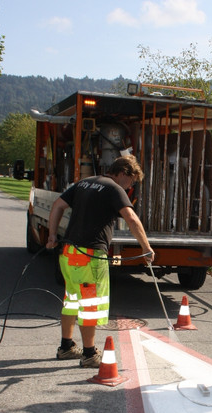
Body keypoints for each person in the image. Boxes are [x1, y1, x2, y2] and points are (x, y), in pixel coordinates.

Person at [46, 155, 155, 368]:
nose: (130, 186)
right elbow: (132, 218)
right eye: (131, 181)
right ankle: (89, 354)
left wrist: (52, 235)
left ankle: (66, 347)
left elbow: (57, 205)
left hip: (68, 253)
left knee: (71, 301)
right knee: (90, 305)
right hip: (90, 257)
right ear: (124, 173)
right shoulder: (114, 189)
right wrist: (146, 248)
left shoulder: (85, 183)